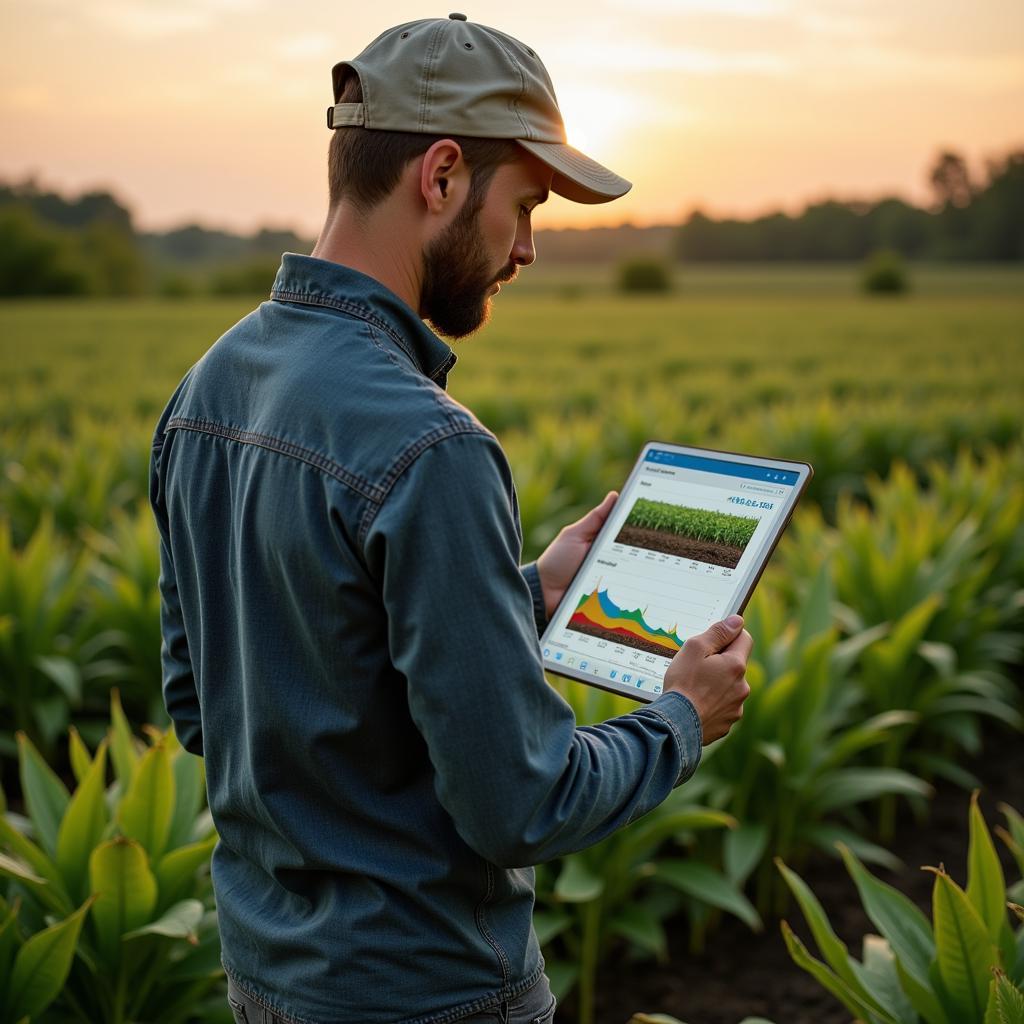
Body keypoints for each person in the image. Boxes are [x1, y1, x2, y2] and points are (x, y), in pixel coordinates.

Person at [148, 14, 752, 1024]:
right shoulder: (433, 448)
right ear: (438, 176)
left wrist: (521, 593)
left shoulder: (205, 389)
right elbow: (522, 800)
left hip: (266, 979)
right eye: (525, 206)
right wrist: (681, 719)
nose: (527, 248)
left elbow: (211, 701)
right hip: (431, 992)